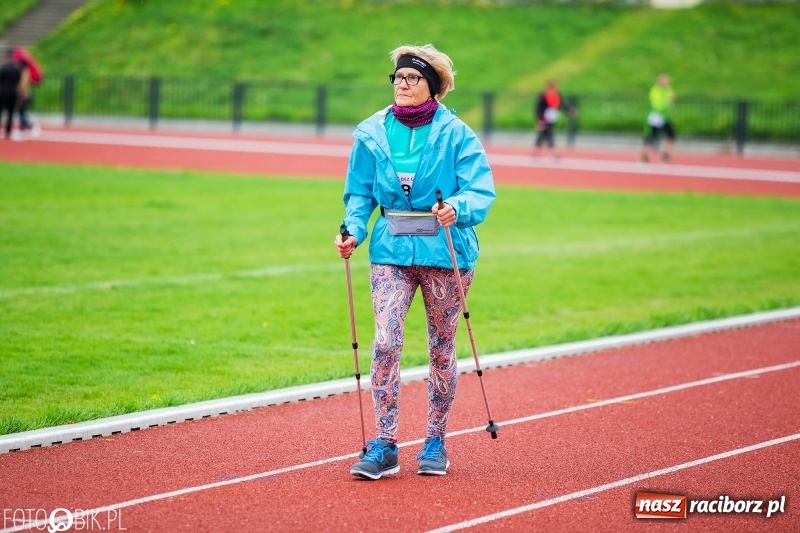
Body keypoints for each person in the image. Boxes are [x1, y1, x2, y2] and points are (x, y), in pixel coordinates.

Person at [334, 43, 495, 480]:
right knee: (386, 341)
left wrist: (457, 207)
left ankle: (436, 439)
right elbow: (359, 192)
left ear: (434, 88)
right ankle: (384, 443)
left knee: (441, 347)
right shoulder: (371, 132)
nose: (403, 85)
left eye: (412, 78)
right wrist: (352, 229)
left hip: (446, 251)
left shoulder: (458, 134)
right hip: (390, 251)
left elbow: (480, 189)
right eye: (398, 78)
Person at [641, 73, 676, 163]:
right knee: (651, 137)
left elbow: (671, 101)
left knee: (671, 135)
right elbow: (657, 105)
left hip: (665, 117)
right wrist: (667, 102)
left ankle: (665, 154)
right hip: (656, 117)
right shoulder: (655, 91)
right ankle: (644, 155)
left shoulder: (668, 89)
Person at [12, 48, 41, 138]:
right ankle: (22, 130)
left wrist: (19, 94)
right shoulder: (25, 71)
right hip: (24, 95)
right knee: (20, 113)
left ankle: (31, 126)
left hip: (23, 95)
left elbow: (22, 85)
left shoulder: (23, 72)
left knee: (20, 113)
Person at [533, 79, 562, 158]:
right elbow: (539, 108)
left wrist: (569, 110)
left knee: (545, 133)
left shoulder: (556, 95)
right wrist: (540, 120)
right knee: (545, 133)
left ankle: (537, 150)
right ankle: (551, 150)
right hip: (544, 117)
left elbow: (560, 104)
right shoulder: (543, 95)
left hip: (551, 118)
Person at [0, 49, 21, 140]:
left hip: (3, 92)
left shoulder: (4, 69)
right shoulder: (17, 69)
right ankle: (8, 132)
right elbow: (18, 80)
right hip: (13, 92)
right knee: (10, 113)